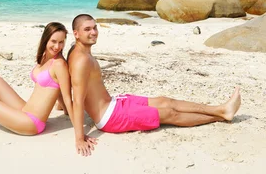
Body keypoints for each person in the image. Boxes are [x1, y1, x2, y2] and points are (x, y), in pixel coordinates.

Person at [68, 14, 242, 156]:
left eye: (95, 27)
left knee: (167, 101)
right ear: (76, 33)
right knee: (169, 114)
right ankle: (220, 116)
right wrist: (79, 138)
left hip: (115, 103)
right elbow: (78, 99)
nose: (94, 32)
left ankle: (219, 108)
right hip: (111, 117)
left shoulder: (83, 53)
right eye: (87, 29)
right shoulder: (81, 60)